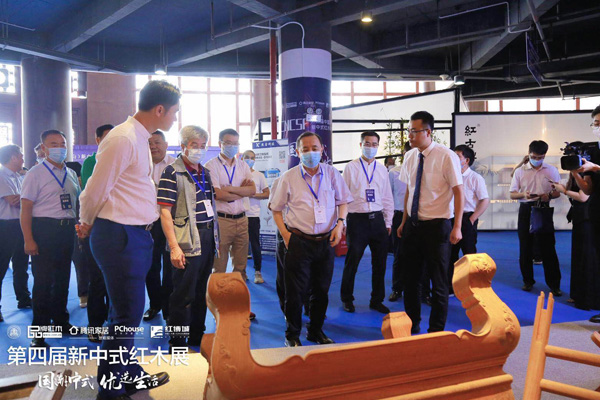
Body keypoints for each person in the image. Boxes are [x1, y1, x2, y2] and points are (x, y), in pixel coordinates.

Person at [77, 80, 179, 399]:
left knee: (126, 312)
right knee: (126, 315)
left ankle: (129, 373)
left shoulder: (139, 137)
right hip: (119, 234)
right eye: (174, 111)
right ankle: (110, 390)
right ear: (159, 109)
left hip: (133, 234)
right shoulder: (123, 138)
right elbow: (94, 189)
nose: (175, 117)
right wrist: (85, 222)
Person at [271, 131, 352, 347]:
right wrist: (286, 235)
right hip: (298, 241)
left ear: (322, 150)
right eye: (305, 149)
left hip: (326, 241)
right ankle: (292, 334)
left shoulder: (332, 173)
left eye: (315, 148)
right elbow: (276, 209)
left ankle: (315, 331)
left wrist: (340, 224)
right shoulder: (288, 177)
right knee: (295, 292)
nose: (310, 153)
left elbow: (343, 201)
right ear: (297, 152)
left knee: (321, 290)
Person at [397, 111, 464, 334]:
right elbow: (410, 191)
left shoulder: (446, 156)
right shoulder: (410, 156)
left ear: (428, 132)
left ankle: (436, 330)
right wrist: (404, 221)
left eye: (414, 131)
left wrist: (457, 226)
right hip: (413, 226)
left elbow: (459, 192)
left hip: (437, 227)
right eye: (409, 131)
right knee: (411, 279)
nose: (410, 136)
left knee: (439, 280)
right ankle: (412, 323)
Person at [157, 125, 219, 350]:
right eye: (194, 145)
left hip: (207, 235)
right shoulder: (172, 172)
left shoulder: (205, 172)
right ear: (183, 146)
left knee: (201, 291)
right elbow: (165, 212)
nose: (199, 150)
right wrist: (174, 247)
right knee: (183, 294)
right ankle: (177, 342)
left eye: (203, 145)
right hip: (186, 237)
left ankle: (196, 335)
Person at [20, 130, 81, 347]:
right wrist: (28, 239)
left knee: (63, 279)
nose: (60, 148)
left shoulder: (70, 173)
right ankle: (39, 331)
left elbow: (76, 203)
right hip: (44, 230)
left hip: (67, 230)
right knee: (43, 282)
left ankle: (61, 321)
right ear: (44, 148)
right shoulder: (35, 173)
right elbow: (25, 208)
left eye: (62, 143)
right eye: (54, 144)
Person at [340, 131, 393, 314]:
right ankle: (347, 298)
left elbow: (387, 196)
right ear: (361, 145)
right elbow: (343, 196)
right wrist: (343, 221)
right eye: (367, 144)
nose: (371, 147)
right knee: (352, 262)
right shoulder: (351, 167)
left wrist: (388, 221)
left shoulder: (382, 169)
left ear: (378, 146)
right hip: (357, 221)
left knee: (380, 263)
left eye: (374, 144)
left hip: (377, 220)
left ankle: (377, 300)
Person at [509, 140, 561, 296]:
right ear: (529, 154)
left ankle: (554, 284)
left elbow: (557, 192)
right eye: (534, 157)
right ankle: (528, 281)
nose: (537, 159)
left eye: (540, 157)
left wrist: (549, 195)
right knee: (525, 247)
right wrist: (523, 195)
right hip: (526, 209)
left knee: (548, 247)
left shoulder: (551, 170)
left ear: (545, 155)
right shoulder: (520, 171)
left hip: (543, 208)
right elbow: (512, 194)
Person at [205, 130, 255, 286]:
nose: (232, 146)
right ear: (220, 144)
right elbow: (218, 194)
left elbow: (252, 190)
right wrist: (241, 192)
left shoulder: (243, 165)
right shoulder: (211, 166)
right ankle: (218, 298)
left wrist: (230, 189)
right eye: (228, 143)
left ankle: (238, 296)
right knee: (219, 266)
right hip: (222, 221)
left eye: (235, 143)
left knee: (241, 267)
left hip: (242, 220)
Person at [80, 124, 113, 343]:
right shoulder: (91, 162)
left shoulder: (121, 159)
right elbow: (91, 196)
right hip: (97, 227)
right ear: (98, 139)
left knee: (117, 282)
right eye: (107, 137)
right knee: (98, 280)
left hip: (119, 227)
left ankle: (114, 323)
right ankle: (95, 326)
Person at [552, 172, 600, 310]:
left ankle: (588, 298)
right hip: (579, 218)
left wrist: (564, 190)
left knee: (586, 258)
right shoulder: (575, 172)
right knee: (578, 257)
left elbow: (583, 197)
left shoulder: (588, 172)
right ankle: (578, 294)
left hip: (587, 219)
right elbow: (572, 190)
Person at [571, 105, 600, 322]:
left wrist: (596, 168)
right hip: (596, 212)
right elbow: (588, 190)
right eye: (595, 123)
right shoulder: (595, 152)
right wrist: (576, 172)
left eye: (599, 123)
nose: (596, 127)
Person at [143, 130, 176, 322]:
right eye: (149, 143)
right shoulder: (140, 165)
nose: (153, 146)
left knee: (171, 265)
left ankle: (169, 307)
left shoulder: (175, 165)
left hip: (171, 221)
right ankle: (155, 304)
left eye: (157, 142)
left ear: (166, 144)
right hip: (148, 222)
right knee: (151, 265)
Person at [449, 145, 490, 292]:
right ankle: (451, 286)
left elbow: (484, 200)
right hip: (450, 217)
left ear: (466, 160)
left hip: (467, 218)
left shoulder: (475, 178)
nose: (454, 159)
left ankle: (471, 286)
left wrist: (472, 219)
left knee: (469, 253)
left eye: (457, 157)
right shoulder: (450, 176)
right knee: (450, 253)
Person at [0, 145, 31, 322]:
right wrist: (28, 198)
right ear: (12, 158)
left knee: (22, 263)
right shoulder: (1, 175)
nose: (22, 159)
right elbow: (13, 200)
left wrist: (26, 198)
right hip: (5, 226)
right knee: (2, 266)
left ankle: (24, 298)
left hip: (20, 223)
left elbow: (23, 199)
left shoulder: (18, 176)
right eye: (20, 155)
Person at [241, 150, 269, 284]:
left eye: (252, 158)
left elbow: (267, 194)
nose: (249, 160)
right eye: (247, 157)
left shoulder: (259, 176)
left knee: (255, 244)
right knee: (239, 246)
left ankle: (258, 272)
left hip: (252, 215)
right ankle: (242, 272)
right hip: (238, 214)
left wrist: (252, 194)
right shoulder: (236, 174)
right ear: (242, 158)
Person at [388, 141, 410, 302]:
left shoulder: (427, 171)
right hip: (399, 215)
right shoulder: (394, 172)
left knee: (422, 256)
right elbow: (388, 196)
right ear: (404, 154)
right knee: (399, 254)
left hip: (419, 217)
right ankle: (397, 289)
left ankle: (424, 291)